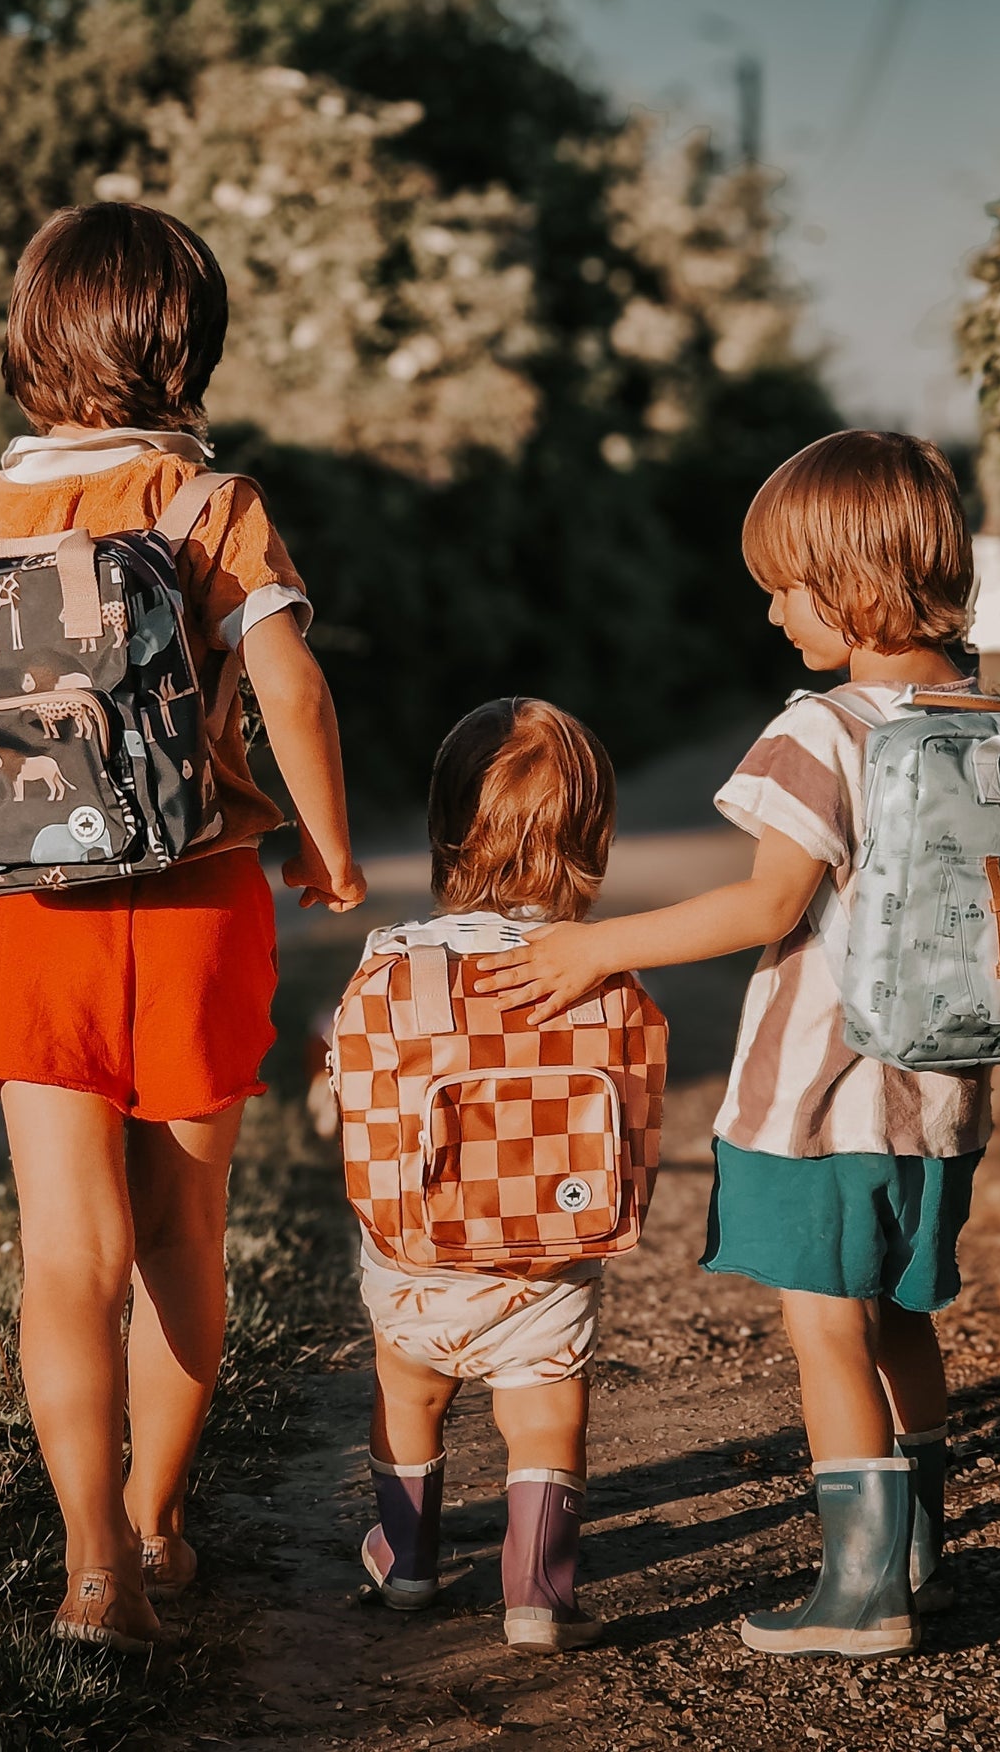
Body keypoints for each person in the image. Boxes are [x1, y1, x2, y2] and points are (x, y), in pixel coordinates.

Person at [0, 203, 366, 1654]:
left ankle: (93, 1573)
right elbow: (291, 686)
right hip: (198, 897)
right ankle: (157, 1522)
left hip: (30, 918)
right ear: (187, 346)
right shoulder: (209, 507)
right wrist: (329, 850)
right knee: (181, 1232)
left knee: (66, 1253)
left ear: (28, 340)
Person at [478, 430, 985, 1659]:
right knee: (898, 1311)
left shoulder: (826, 728)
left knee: (825, 1325)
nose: (769, 611)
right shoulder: (984, 719)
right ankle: (919, 1549)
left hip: (825, 1092)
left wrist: (596, 948)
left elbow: (765, 904)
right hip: (941, 1091)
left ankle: (861, 1594)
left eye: (784, 586)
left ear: (850, 580)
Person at [341, 697, 664, 1654]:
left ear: (445, 830)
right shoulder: (601, 971)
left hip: (418, 1251)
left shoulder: (395, 965)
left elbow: (352, 1095)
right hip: (553, 1251)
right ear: (593, 838)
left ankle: (406, 1560)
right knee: (546, 1406)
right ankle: (539, 1593)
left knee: (408, 1390)